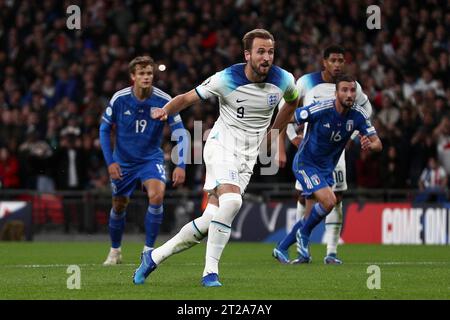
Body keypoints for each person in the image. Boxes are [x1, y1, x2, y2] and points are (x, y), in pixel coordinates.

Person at [133, 29, 299, 287]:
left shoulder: (284, 80)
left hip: (247, 158)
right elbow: (187, 98)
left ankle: (153, 257)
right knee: (232, 202)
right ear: (247, 55)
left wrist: (275, 133)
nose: (267, 57)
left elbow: (292, 102)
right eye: (261, 52)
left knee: (211, 220)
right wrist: (165, 110)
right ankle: (210, 273)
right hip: (221, 146)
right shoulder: (227, 78)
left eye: (270, 51)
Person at [273, 45, 373, 265]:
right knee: (309, 199)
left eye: (341, 60)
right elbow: (286, 110)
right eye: (333, 60)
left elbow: (366, 111)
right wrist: (287, 140)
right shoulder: (306, 82)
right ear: (324, 62)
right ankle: (299, 248)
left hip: (335, 156)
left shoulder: (352, 87)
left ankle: (331, 251)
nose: (337, 64)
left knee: (335, 200)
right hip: (310, 153)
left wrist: (355, 135)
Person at [99, 56, 188, 265]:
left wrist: (181, 164)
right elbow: (104, 129)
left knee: (157, 195)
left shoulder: (164, 100)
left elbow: (181, 133)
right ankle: (115, 251)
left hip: (150, 159)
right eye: (142, 73)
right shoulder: (120, 99)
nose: (146, 77)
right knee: (119, 205)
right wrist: (110, 162)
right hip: (123, 162)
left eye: (149, 73)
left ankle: (148, 252)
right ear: (133, 76)